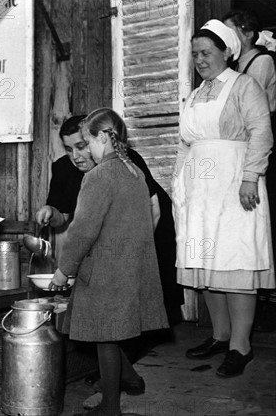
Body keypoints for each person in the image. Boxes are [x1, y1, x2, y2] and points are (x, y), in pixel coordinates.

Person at [50, 108, 169, 416]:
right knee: (108, 333)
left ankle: (111, 407)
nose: (84, 150)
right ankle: (130, 377)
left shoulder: (98, 176)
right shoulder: (133, 171)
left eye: (87, 141)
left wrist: (64, 271)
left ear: (102, 137)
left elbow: (82, 231)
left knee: (103, 337)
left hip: (105, 269)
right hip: (129, 266)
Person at [172, 20, 274, 378]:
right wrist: (178, 186)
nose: (199, 59)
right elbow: (186, 143)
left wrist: (250, 177)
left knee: (235, 261)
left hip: (234, 183)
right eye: (195, 53)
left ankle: (240, 346)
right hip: (200, 188)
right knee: (207, 262)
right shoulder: (196, 93)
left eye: (206, 53)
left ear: (227, 52)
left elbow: (261, 131)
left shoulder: (245, 86)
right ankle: (220, 335)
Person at [36, 115, 183, 326]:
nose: (75, 156)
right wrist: (51, 211)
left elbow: (154, 207)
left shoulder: (124, 160)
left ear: (96, 139)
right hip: (111, 240)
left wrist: (134, 250)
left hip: (153, 226)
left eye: (81, 145)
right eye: (68, 149)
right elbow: (65, 217)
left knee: (150, 308)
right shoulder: (62, 168)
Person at [224, 9, 276, 332]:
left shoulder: (261, 63)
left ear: (245, 32)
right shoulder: (236, 67)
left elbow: (251, 115)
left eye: (229, 33)